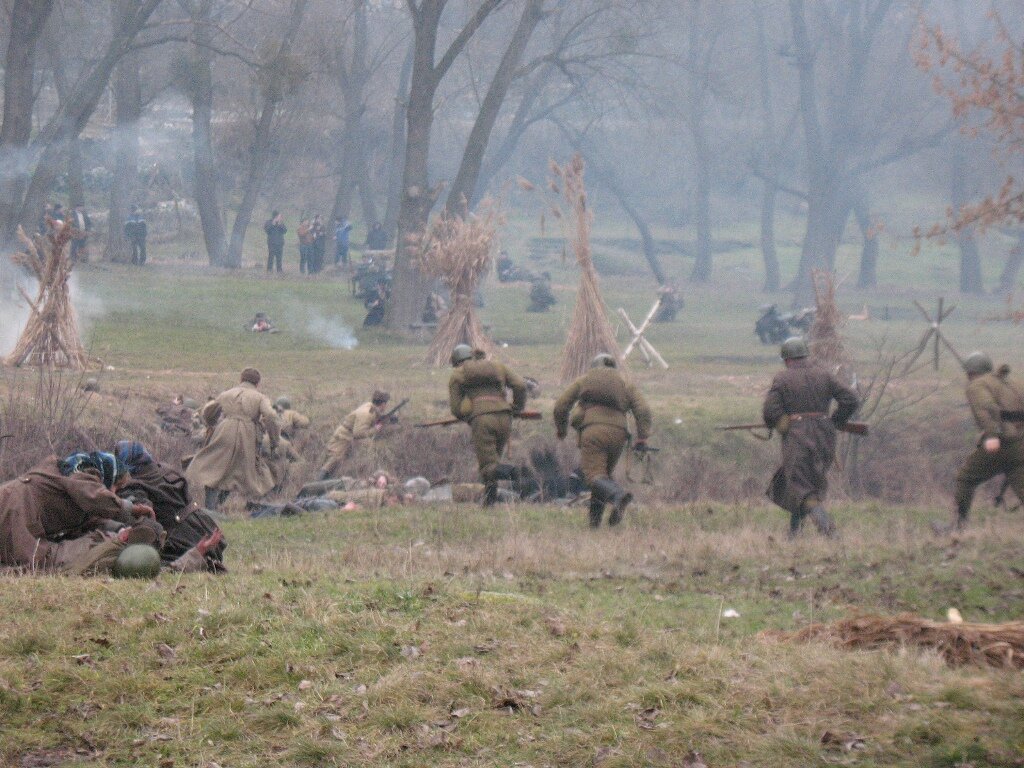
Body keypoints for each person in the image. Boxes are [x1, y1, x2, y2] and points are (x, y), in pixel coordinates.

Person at [762, 337, 859, 539]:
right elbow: (850, 399)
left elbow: (770, 413)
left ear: (787, 359)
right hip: (825, 436)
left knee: (801, 486)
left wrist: (783, 423)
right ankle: (794, 535)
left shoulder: (782, 379)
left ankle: (829, 531)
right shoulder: (824, 375)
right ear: (805, 356)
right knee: (803, 484)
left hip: (798, 438)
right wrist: (835, 421)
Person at [0, 451, 157, 573]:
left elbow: (90, 519)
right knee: (38, 564)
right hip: (16, 509)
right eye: (117, 486)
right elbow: (97, 498)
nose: (115, 492)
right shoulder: (81, 472)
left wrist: (120, 529)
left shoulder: (76, 480)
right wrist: (132, 509)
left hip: (13, 506)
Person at [554, 354, 651, 527]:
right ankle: (594, 525)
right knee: (601, 477)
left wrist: (561, 430)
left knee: (594, 477)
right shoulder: (625, 383)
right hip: (618, 435)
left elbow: (561, 406)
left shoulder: (585, 380)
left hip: (593, 432)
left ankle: (618, 496)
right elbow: (642, 409)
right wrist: (642, 437)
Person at [941, 351, 1024, 531]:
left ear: (970, 372)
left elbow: (985, 410)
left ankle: (957, 527)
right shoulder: (1009, 382)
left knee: (966, 478)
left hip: (1002, 442)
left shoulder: (976, 386)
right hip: (1019, 442)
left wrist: (993, 435)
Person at [185, 368, 280, 510]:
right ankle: (216, 508)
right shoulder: (260, 397)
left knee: (214, 469)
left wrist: (210, 424)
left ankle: (210, 508)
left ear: (241, 379)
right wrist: (274, 441)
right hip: (247, 435)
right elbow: (271, 417)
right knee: (236, 473)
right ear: (257, 383)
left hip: (224, 431)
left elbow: (209, 410)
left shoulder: (226, 394)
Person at [448, 346, 527, 506]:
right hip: (505, 417)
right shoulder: (497, 366)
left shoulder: (458, 374)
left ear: (457, 361)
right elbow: (520, 385)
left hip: (482, 421)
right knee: (493, 461)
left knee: (488, 466)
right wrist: (516, 408)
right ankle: (489, 502)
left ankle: (512, 473)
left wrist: (468, 415)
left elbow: (456, 409)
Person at [319, 391, 391, 480]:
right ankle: (317, 484)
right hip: (343, 436)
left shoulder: (370, 407)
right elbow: (358, 433)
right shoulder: (366, 413)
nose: (386, 405)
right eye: (386, 403)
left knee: (337, 460)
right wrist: (375, 429)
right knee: (334, 459)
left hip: (347, 435)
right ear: (383, 404)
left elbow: (373, 417)